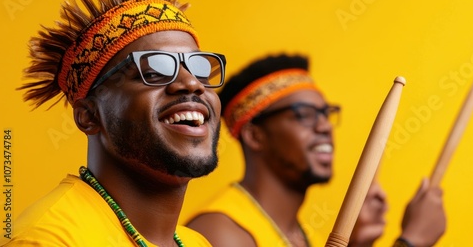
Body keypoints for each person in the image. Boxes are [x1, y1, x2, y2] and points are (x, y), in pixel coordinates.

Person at [0, 0, 226, 246]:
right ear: (89, 116)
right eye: (154, 71)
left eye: (200, 69)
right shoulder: (48, 240)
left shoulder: (196, 243)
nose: (192, 84)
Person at [185, 54, 446, 247]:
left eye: (326, 113)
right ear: (255, 136)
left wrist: (355, 243)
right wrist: (411, 242)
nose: (324, 126)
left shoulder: (302, 235)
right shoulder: (219, 235)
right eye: (305, 115)